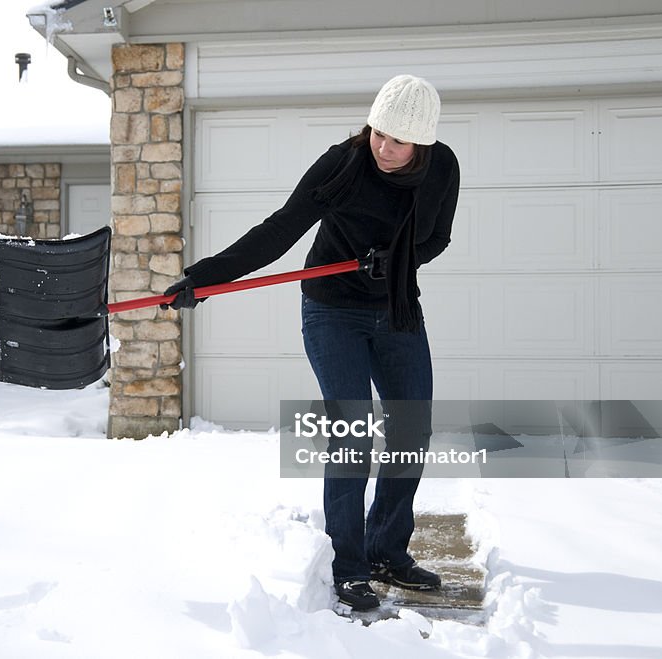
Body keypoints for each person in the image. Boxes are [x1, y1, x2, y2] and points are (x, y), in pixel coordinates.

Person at [162, 74, 460, 612]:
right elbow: (279, 230)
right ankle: (348, 566)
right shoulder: (343, 164)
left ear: (423, 144)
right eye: (377, 132)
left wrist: (398, 260)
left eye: (398, 140)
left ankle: (386, 550)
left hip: (395, 307)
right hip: (332, 309)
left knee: (412, 426)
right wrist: (205, 279)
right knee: (353, 431)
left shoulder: (443, 168)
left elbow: (437, 236)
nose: (383, 147)